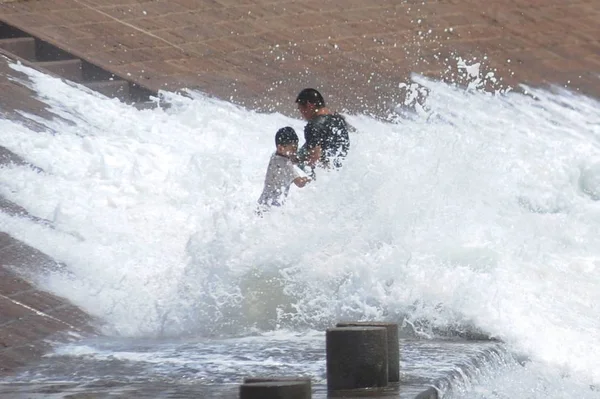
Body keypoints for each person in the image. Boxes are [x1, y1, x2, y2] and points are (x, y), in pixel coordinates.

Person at [295, 88, 351, 172]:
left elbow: (314, 159)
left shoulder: (312, 126)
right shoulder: (339, 120)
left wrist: (295, 161)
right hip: (342, 172)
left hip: (323, 176)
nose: (301, 113)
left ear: (309, 105)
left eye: (300, 108)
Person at [257, 127, 311, 210]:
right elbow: (299, 183)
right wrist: (308, 179)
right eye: (293, 149)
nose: (295, 152)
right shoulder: (287, 165)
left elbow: (285, 159)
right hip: (274, 206)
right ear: (280, 148)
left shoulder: (274, 156)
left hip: (263, 200)